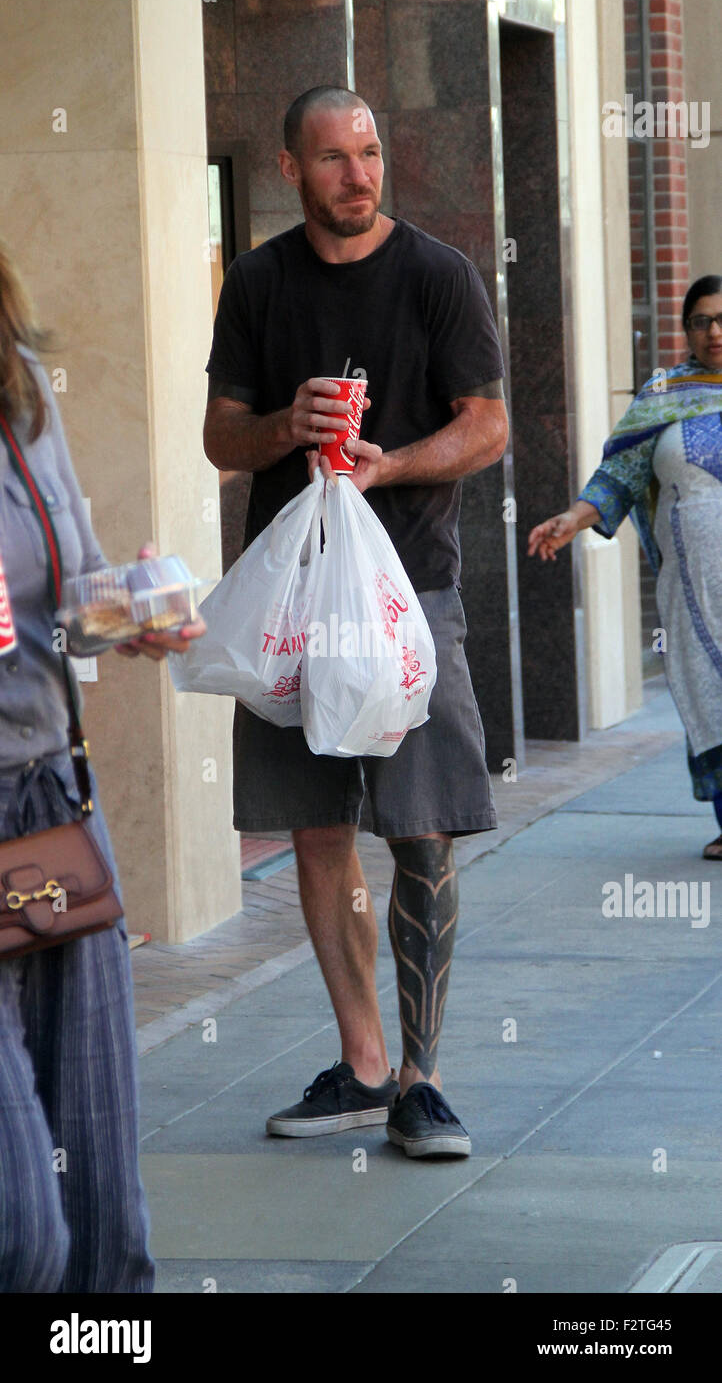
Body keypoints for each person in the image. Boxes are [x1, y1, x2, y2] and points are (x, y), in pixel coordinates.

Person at [203, 86, 508, 1158]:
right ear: (289, 168)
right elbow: (218, 438)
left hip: (405, 593)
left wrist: (392, 464)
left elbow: (487, 425)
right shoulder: (257, 280)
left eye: (369, 152)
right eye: (332, 158)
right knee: (316, 828)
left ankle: (425, 1081)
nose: (357, 175)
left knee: (419, 831)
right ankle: (365, 1063)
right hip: (289, 604)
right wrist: (286, 423)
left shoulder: (436, 275)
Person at [0, 242, 205, 1291]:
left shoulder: (20, 388)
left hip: (42, 804)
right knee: (21, 1230)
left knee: (100, 1216)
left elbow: (72, 597)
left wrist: (135, 612)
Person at [529, 275, 722, 858]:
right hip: (692, 587)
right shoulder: (665, 393)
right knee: (708, 691)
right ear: (686, 330)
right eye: (701, 321)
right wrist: (573, 518)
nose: (714, 331)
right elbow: (622, 474)